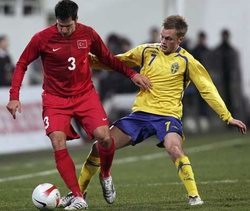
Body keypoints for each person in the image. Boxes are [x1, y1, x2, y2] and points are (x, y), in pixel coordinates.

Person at [60, 15, 247, 208]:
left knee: (174, 148)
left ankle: (194, 197)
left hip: (167, 116)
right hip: (140, 115)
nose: (163, 42)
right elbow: (116, 62)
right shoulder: (146, 51)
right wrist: (88, 60)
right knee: (99, 147)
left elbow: (208, 90)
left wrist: (227, 116)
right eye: (162, 37)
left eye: (169, 39)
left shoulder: (187, 61)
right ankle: (79, 194)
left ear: (180, 40)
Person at [6, 0, 150, 210]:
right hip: (55, 99)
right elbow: (21, 64)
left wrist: (132, 74)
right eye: (60, 26)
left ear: (76, 20)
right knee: (57, 141)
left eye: (68, 26)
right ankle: (78, 196)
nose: (64, 30)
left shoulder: (88, 34)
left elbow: (108, 58)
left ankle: (106, 175)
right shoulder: (42, 38)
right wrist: (14, 95)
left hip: (85, 95)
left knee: (105, 139)